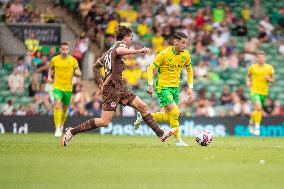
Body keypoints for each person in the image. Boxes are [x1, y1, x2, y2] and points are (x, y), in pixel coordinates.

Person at [62, 26, 177, 146]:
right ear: (125, 37)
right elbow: (119, 52)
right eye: (131, 37)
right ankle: (71, 132)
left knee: (143, 106)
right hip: (112, 89)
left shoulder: (108, 51)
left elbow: (96, 66)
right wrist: (138, 51)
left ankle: (161, 134)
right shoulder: (119, 46)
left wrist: (101, 83)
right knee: (104, 121)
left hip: (119, 87)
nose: (131, 40)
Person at [134, 32, 193, 146]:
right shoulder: (164, 54)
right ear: (175, 41)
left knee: (168, 116)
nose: (185, 45)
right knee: (175, 112)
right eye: (183, 42)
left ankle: (144, 116)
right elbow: (150, 68)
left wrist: (190, 87)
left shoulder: (186, 54)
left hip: (175, 87)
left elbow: (190, 70)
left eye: (186, 43)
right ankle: (178, 141)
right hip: (163, 86)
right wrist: (150, 85)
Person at [48, 42, 82, 137]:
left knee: (65, 109)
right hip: (57, 87)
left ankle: (62, 124)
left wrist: (78, 73)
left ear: (69, 50)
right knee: (57, 104)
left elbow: (77, 70)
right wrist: (49, 76)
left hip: (68, 88)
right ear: (60, 50)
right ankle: (57, 128)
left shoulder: (73, 61)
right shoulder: (54, 59)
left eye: (66, 49)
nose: (64, 51)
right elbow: (51, 68)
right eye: (63, 49)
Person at [246, 51, 275, 136]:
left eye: (262, 57)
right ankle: (257, 128)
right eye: (259, 57)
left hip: (264, 92)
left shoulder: (269, 68)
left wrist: (269, 79)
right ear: (257, 58)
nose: (260, 59)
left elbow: (273, 79)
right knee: (258, 107)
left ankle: (251, 121)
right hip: (254, 91)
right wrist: (248, 82)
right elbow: (248, 76)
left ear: (265, 58)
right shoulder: (252, 67)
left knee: (258, 110)